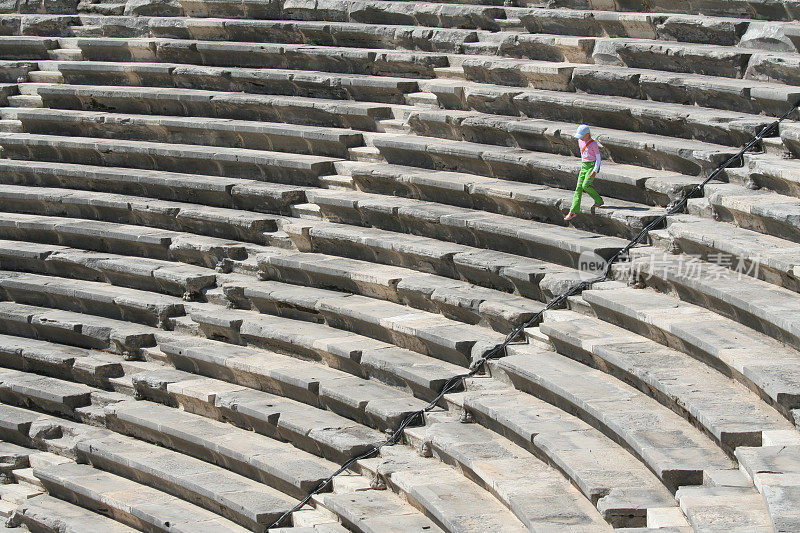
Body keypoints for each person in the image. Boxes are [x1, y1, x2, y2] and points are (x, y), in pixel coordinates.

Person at [564, 124, 604, 221]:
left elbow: (598, 158)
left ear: (587, 134)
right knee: (578, 188)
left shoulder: (593, 144)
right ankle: (573, 211)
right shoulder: (580, 141)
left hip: (592, 165)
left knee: (585, 185)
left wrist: (595, 170)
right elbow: (583, 155)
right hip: (584, 166)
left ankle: (598, 200)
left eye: (582, 136)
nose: (581, 138)